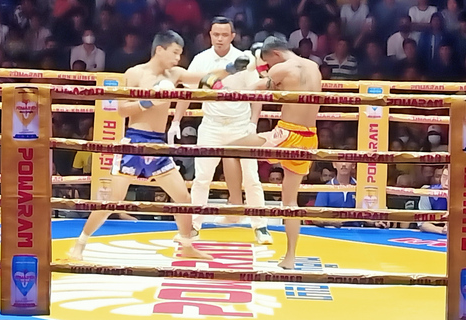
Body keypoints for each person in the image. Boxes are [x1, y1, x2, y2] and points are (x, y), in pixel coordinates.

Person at [69, 30, 250, 261]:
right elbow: (122, 109)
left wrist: (232, 68)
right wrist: (150, 101)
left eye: (180, 54)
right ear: (160, 49)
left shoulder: (174, 74)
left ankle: (186, 245)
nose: (177, 58)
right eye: (175, 53)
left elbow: (204, 77)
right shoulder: (135, 73)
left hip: (158, 144)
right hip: (134, 141)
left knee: (182, 199)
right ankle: (80, 244)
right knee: (111, 201)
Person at [169, 17, 272, 245]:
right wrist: (176, 120)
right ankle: (193, 227)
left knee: (252, 177)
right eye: (216, 34)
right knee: (202, 178)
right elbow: (187, 92)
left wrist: (253, 123)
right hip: (212, 124)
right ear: (210, 34)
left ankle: (261, 226)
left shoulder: (244, 59)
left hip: (240, 124)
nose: (220, 39)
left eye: (224, 34)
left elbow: (256, 93)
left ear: (232, 36)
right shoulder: (201, 59)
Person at [223, 36, 322, 269]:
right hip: (309, 137)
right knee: (290, 201)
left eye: (267, 62)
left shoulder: (282, 68)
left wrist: (235, 77)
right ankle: (290, 257)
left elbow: (250, 91)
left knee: (229, 149)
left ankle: (236, 204)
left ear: (275, 54)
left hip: (286, 135)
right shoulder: (314, 67)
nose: (267, 67)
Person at [418, 166, 448, 234]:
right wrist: (442, 230)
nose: (446, 183)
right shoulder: (428, 192)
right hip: (438, 233)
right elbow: (422, 223)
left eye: (451, 179)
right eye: (444, 177)